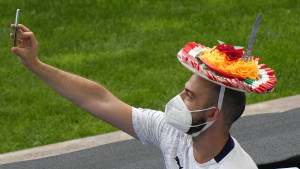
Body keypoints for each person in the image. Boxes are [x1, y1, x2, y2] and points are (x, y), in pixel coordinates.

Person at [10, 24, 273, 168]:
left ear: (212, 114)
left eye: (190, 96)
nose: (178, 99)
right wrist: (36, 64)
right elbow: (101, 101)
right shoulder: (174, 133)